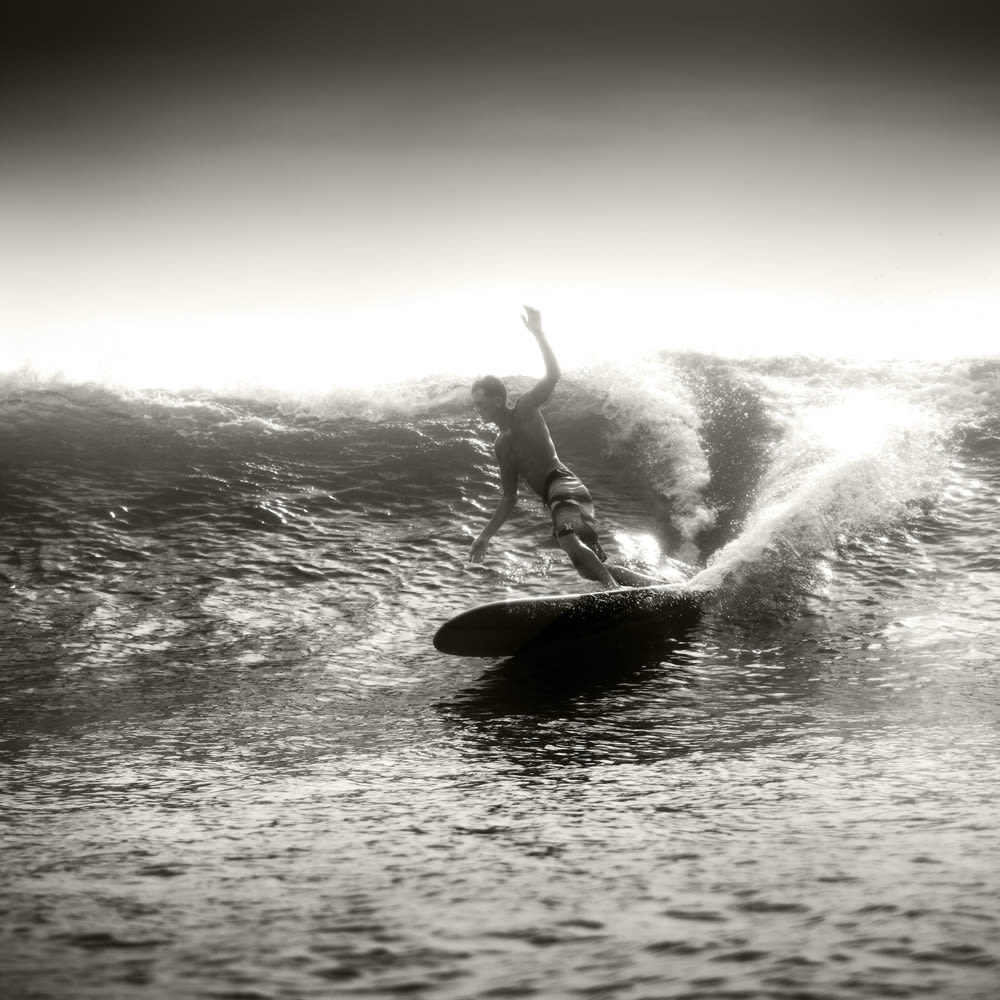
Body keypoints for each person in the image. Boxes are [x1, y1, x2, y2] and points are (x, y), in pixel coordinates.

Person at [468, 307, 659, 589]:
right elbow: (509, 498)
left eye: (481, 404)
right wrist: (485, 535)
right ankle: (656, 586)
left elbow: (554, 374)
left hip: (564, 484)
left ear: (498, 400)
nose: (478, 411)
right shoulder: (502, 446)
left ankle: (614, 592)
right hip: (553, 497)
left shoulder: (525, 408)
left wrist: (538, 334)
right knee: (590, 567)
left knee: (569, 540)